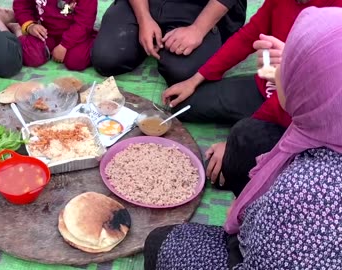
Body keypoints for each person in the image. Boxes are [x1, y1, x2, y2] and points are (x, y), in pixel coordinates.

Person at [144, 7, 342, 269]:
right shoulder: (321, 116)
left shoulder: (297, 192)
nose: (273, 68)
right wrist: (196, 79)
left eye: (288, 63)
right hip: (287, 96)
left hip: (256, 248)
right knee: (196, 105)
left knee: (244, 137)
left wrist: (248, 213)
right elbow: (251, 34)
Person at [166, 0, 342, 195]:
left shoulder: (334, 15)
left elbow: (298, 101)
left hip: (300, 118)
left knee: (224, 171)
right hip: (266, 88)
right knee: (182, 105)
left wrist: (235, 143)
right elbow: (249, 36)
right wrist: (196, 79)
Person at [91, 0, 247, 86]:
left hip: (202, 8)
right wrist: (144, 18)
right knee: (106, 58)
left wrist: (198, 29)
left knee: (182, 73)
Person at [11, 0, 97, 71]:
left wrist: (64, 45)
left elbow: (84, 23)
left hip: (75, 34)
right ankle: (18, 30)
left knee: (76, 60)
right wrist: (30, 26)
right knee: (30, 56)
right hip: (45, 31)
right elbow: (22, 6)